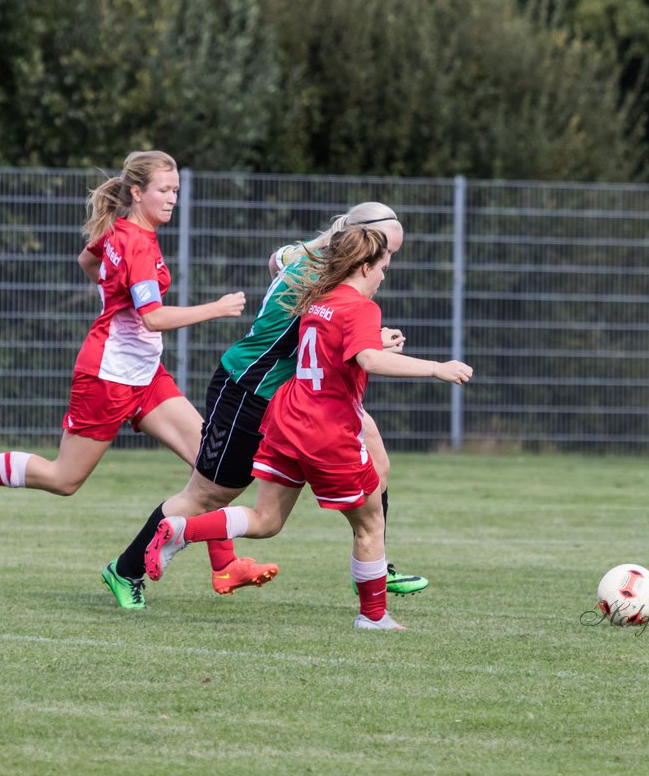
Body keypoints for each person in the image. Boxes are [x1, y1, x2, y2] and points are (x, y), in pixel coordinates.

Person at [100, 203, 429, 611]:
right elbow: (331, 330)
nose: (386, 263)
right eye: (385, 252)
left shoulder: (310, 255)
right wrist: (374, 342)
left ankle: (375, 559)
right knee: (207, 495)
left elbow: (276, 261)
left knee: (373, 448)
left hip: (294, 396)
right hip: (248, 390)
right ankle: (127, 568)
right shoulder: (323, 277)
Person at [145, 226, 473, 630]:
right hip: (328, 430)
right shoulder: (362, 308)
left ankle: (182, 529)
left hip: (287, 418)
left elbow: (336, 346)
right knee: (370, 524)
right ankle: (373, 617)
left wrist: (373, 341)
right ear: (364, 266)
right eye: (382, 268)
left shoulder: (316, 300)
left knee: (266, 520)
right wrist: (437, 368)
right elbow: (368, 360)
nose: (384, 276)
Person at [0, 150, 256, 534]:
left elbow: (87, 261)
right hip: (107, 376)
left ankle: (224, 566)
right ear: (137, 192)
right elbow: (152, 317)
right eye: (164, 190)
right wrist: (217, 307)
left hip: (144, 374)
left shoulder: (124, 231)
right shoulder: (138, 245)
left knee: (209, 466)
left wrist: (112, 293)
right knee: (64, 479)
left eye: (175, 190)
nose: (172, 198)